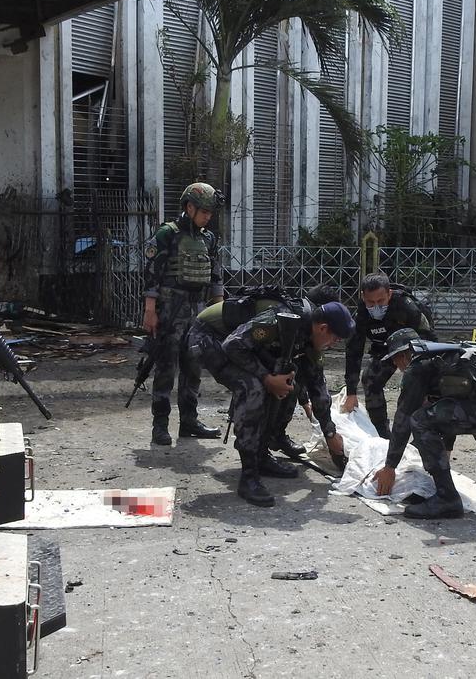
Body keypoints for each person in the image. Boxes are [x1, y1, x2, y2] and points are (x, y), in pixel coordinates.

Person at [371, 329, 476, 520]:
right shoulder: (449, 353)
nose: (395, 365)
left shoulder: (418, 366)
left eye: (395, 359)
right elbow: (451, 410)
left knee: (420, 421)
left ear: (403, 355)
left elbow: (403, 419)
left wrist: (389, 467)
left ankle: (446, 498)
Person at [221, 302, 355, 506]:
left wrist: (330, 434)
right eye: (334, 339)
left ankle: (262, 454)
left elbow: (318, 388)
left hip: (242, 349)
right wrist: (266, 378)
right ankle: (248, 476)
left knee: (290, 383)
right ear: (322, 328)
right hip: (211, 340)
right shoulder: (280, 319)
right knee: (254, 388)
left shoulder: (311, 340)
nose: (333, 344)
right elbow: (231, 345)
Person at [187, 285, 337, 457]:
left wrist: (328, 431)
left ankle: (273, 437)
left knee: (287, 378)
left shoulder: (308, 326)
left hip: (239, 343)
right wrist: (266, 378)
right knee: (256, 385)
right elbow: (234, 345)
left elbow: (309, 374)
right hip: (209, 336)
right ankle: (253, 454)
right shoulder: (284, 315)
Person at [142, 183, 225, 446]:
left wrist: (219, 310)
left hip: (197, 312)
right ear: (189, 207)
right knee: (166, 367)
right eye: (204, 211)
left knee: (194, 367)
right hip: (170, 310)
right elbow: (151, 273)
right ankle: (160, 425)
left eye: (211, 212)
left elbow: (215, 275)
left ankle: (189, 422)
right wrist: (150, 311)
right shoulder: (168, 234)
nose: (208, 216)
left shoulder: (208, 239)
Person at [340, 273, 437, 437]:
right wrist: (351, 392)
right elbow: (353, 351)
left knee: (416, 390)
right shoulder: (361, 314)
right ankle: (382, 435)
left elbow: (429, 338)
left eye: (380, 301)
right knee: (370, 379)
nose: (376, 307)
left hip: (412, 349)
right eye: (371, 302)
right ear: (363, 297)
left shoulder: (407, 307)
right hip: (384, 349)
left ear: (389, 294)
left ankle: (424, 435)